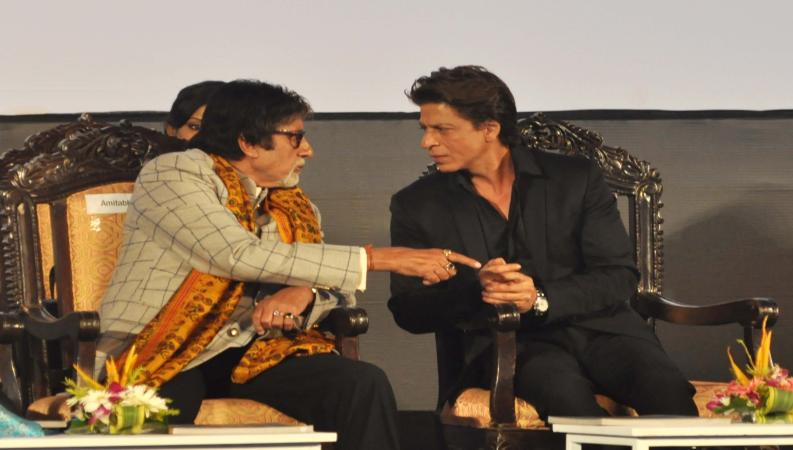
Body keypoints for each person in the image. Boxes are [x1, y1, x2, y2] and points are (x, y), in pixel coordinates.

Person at [96, 79, 479, 450]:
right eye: (295, 137)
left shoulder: (293, 205)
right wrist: (378, 258)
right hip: (164, 347)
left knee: (360, 384)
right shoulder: (175, 174)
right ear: (248, 142)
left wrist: (305, 293)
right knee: (147, 413)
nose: (308, 149)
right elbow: (235, 254)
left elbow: (335, 288)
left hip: (251, 348)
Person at [387, 66, 697, 421]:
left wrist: (538, 298)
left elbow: (618, 275)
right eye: (425, 129)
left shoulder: (574, 178)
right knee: (571, 405)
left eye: (441, 129)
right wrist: (479, 290)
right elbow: (408, 311)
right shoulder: (417, 204)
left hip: (602, 330)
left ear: (489, 128)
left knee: (668, 395)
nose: (427, 142)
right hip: (509, 346)